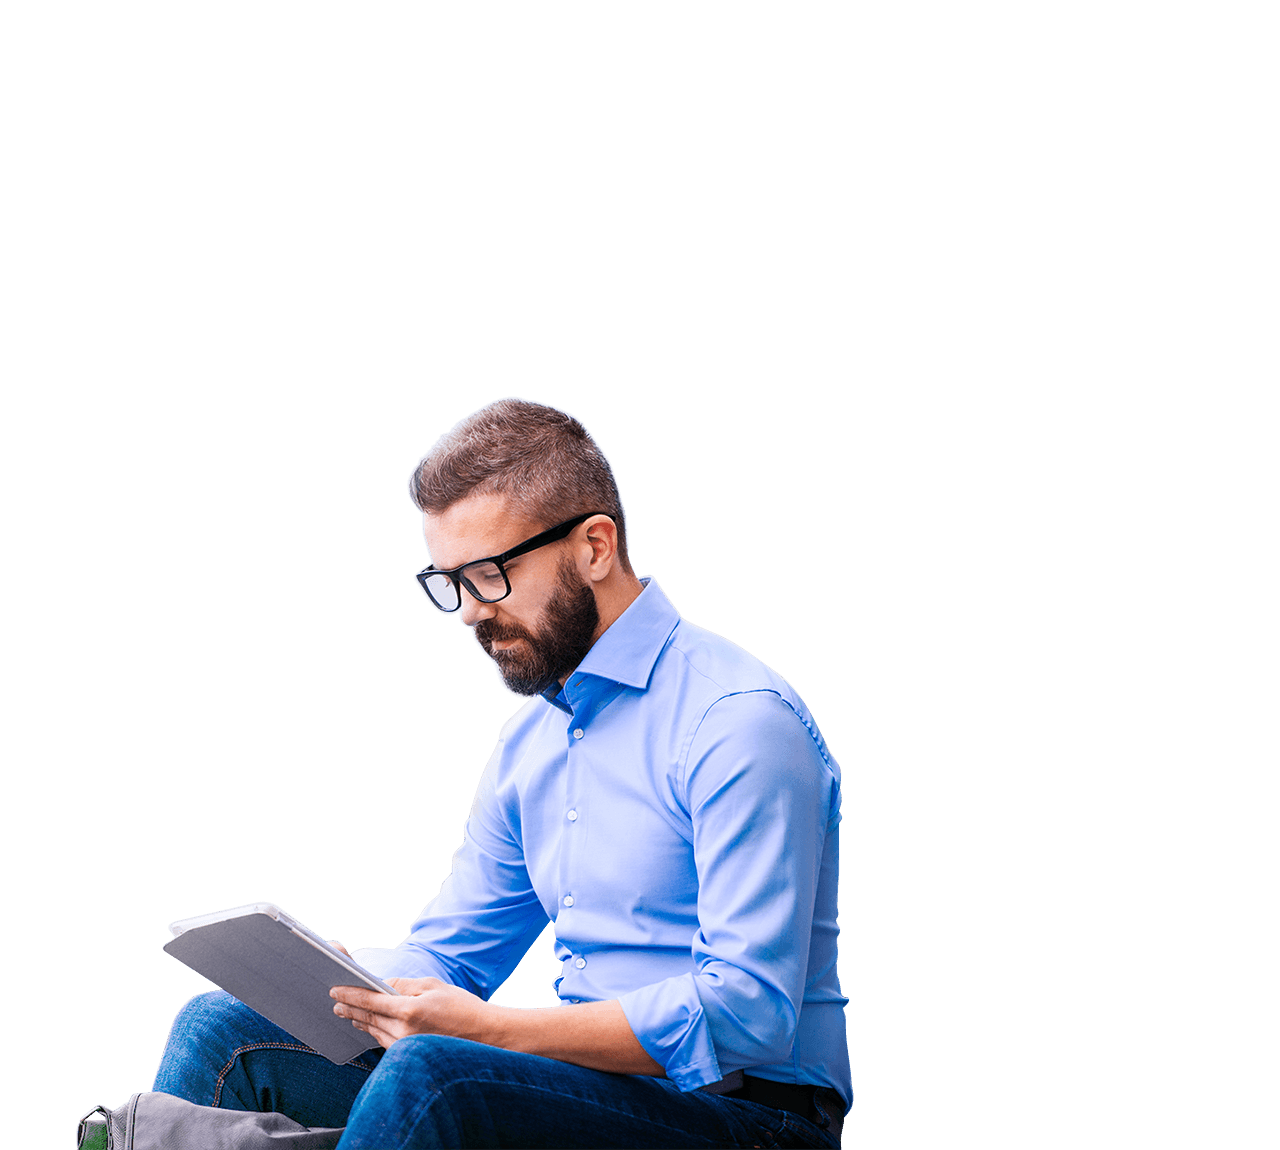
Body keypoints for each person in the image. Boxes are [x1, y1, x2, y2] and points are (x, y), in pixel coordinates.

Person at [153, 398, 850, 1148]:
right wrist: (342, 979)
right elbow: (452, 955)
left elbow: (749, 1012)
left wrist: (493, 1031)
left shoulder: (737, 720)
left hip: (756, 1119)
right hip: (586, 1094)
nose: (468, 613)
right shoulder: (530, 743)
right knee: (221, 1028)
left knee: (437, 1076)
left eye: (488, 574)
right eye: (449, 582)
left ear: (594, 547)